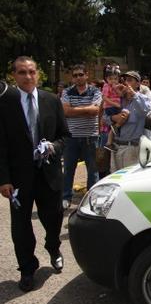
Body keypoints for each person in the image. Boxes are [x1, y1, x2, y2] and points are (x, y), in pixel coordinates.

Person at [0, 56, 70, 291]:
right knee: (21, 226)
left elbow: (64, 135)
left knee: (53, 217)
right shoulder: (5, 103)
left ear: (38, 74)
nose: (27, 76)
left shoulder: (51, 100)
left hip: (48, 173)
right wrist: (4, 179)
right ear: (14, 76)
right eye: (22, 72)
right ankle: (27, 268)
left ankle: (53, 247)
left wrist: (53, 147)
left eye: (31, 72)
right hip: (19, 178)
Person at [61, 64, 102, 210]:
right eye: (75, 75)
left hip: (90, 137)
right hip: (71, 137)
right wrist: (86, 110)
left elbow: (95, 110)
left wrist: (74, 110)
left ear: (86, 75)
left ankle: (92, 199)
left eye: (80, 74)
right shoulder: (67, 92)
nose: (78, 77)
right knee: (68, 170)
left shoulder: (95, 91)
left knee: (93, 170)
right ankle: (66, 197)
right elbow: (65, 112)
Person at [104, 71, 151, 171]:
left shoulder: (143, 98)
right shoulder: (120, 98)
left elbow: (145, 110)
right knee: (115, 178)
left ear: (138, 84)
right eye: (125, 80)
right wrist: (114, 118)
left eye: (129, 80)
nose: (126, 82)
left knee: (130, 181)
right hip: (116, 146)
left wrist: (134, 94)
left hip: (131, 148)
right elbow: (105, 118)